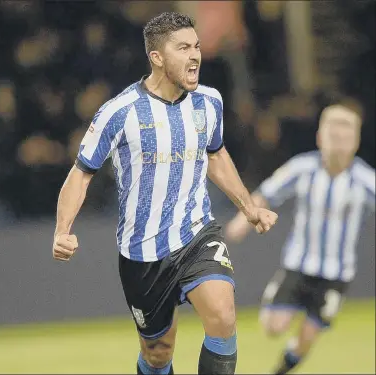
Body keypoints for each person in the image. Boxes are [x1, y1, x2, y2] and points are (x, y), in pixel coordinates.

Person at [52, 12, 278, 375]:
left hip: (196, 233)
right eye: (183, 48)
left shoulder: (209, 102)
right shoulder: (119, 112)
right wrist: (63, 230)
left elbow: (216, 154)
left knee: (222, 315)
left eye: (197, 47)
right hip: (143, 253)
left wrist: (248, 207)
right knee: (159, 354)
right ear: (157, 57)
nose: (195, 56)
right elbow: (81, 174)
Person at [225, 101, 375, 374]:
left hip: (337, 275)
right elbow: (267, 192)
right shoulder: (302, 168)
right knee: (273, 327)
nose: (339, 143)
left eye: (346, 137)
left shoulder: (364, 179)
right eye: (334, 136)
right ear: (320, 137)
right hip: (298, 265)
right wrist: (243, 221)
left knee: (306, 339)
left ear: (356, 142)